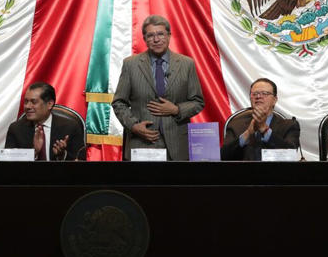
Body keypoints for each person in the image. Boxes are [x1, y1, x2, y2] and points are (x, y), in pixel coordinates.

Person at [112, 15, 204, 161]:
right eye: (150, 35)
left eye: (160, 34)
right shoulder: (131, 64)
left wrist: (177, 110)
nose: (156, 39)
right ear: (144, 39)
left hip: (177, 146)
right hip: (141, 143)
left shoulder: (187, 64)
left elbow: (198, 102)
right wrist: (134, 126)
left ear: (169, 36)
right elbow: (119, 102)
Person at [221, 78, 300, 161]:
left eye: (264, 93)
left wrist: (264, 129)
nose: (258, 97)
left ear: (274, 100)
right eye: (254, 94)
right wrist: (247, 134)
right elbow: (223, 156)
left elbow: (291, 155)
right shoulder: (236, 124)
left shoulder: (289, 125)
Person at [4, 82, 86, 160]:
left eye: (34, 102)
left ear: (49, 104)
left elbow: (80, 160)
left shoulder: (70, 127)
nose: (28, 106)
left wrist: (62, 155)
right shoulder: (16, 129)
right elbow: (8, 161)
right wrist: (34, 153)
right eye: (26, 102)